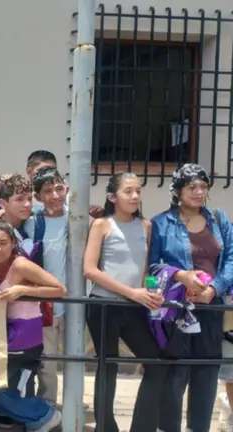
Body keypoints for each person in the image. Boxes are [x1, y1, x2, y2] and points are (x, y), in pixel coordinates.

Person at [149, 164, 233, 432]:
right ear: (177, 190)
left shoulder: (218, 220)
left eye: (203, 186)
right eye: (191, 187)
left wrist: (214, 289)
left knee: (206, 373)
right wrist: (180, 275)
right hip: (176, 308)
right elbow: (152, 266)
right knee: (175, 374)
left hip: (211, 306)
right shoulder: (161, 223)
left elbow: (231, 259)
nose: (199, 192)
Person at [83, 172, 169, 432]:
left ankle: (142, 427)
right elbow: (90, 270)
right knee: (107, 366)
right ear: (112, 197)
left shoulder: (146, 226)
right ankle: (106, 428)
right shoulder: (101, 225)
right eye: (128, 191)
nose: (134, 196)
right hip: (104, 305)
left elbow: (144, 269)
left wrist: (151, 291)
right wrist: (132, 293)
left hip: (134, 306)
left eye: (138, 191)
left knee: (155, 363)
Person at [0, 220, 65, 432]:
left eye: (3, 243)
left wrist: (23, 290)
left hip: (26, 336)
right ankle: (38, 419)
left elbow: (59, 289)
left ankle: (44, 415)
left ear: (13, 243)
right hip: (5, 335)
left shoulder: (20, 264)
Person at [25, 167, 68, 407]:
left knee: (76, 360)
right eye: (48, 191)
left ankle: (73, 405)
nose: (55, 195)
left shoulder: (79, 219)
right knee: (47, 362)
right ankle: (48, 407)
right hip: (47, 303)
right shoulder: (33, 224)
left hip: (76, 302)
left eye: (59, 188)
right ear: (38, 196)